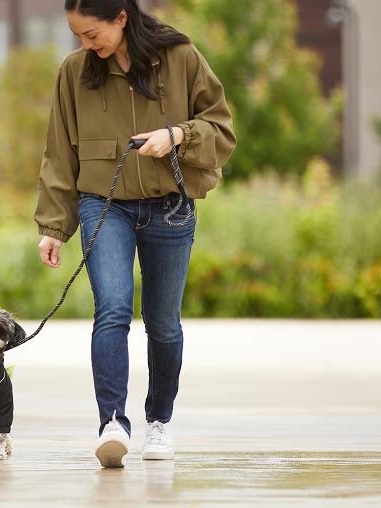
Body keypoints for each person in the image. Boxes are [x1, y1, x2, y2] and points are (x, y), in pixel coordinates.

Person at [35, 0, 236, 468]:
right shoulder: (74, 73)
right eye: (78, 35)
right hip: (103, 206)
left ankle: (159, 423)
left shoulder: (181, 56)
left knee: (163, 324)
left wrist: (178, 134)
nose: (85, 45)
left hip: (169, 208)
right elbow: (59, 152)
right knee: (112, 310)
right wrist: (53, 227)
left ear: (121, 18)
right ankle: (112, 424)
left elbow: (221, 129)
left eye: (91, 34)